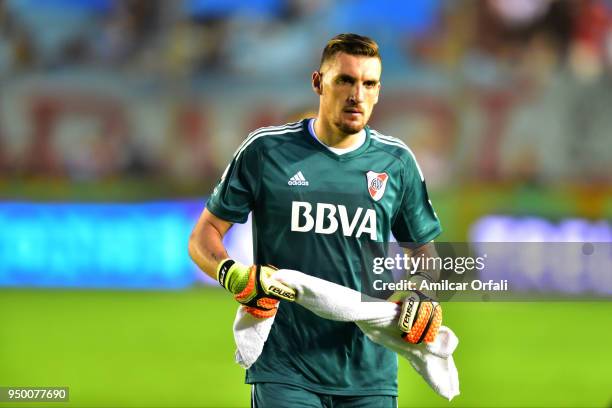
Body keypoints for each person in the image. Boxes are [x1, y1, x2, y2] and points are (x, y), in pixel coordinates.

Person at [189, 33, 443, 408]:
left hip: (368, 373)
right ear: (318, 82)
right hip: (285, 370)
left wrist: (422, 294)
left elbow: (425, 254)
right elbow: (204, 235)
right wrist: (233, 274)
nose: (357, 94)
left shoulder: (397, 162)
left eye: (368, 83)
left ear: (378, 91)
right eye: (345, 80)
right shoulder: (266, 151)